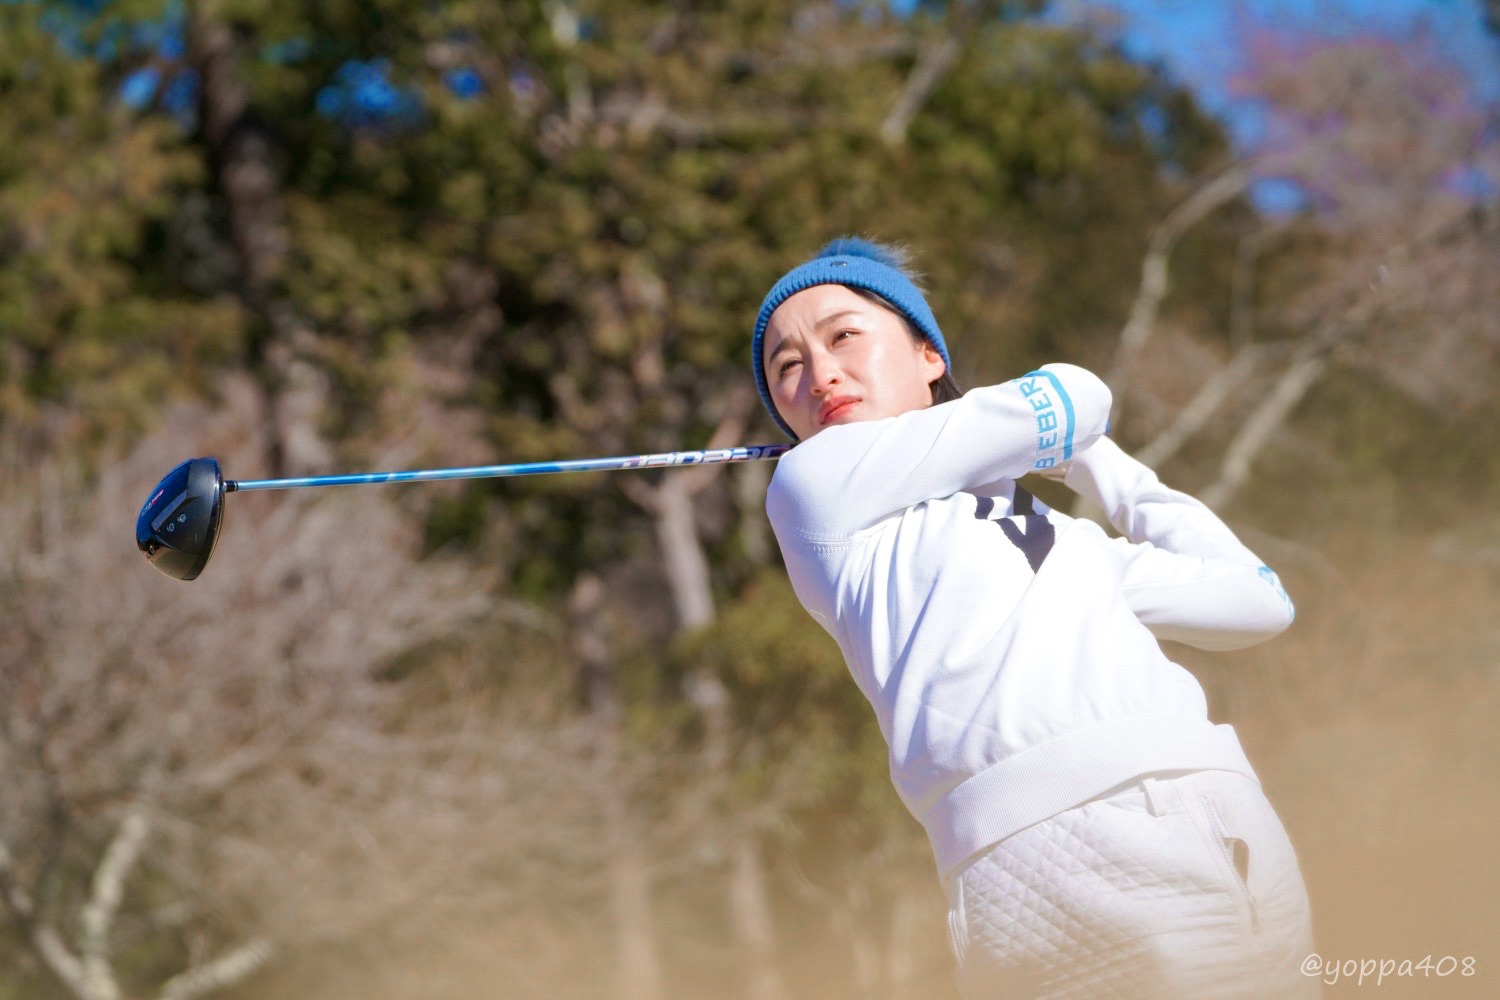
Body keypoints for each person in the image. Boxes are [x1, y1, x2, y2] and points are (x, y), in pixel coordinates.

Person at [752, 237, 1320, 999]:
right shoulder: (812, 485)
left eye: (844, 335)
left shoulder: (1066, 543)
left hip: (1222, 809)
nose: (819, 372)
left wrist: (1094, 463)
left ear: (928, 356)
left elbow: (1256, 601)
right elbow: (1074, 393)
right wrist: (1049, 432)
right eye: (786, 366)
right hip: (1048, 850)